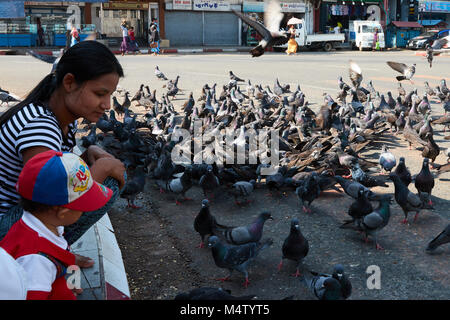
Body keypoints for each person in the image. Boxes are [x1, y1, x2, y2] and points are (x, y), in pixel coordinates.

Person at [0, 40, 126, 268]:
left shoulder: (58, 117)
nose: (107, 104)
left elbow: (56, 170)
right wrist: (100, 170)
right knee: (109, 184)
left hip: (15, 217)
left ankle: (51, 250)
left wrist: (88, 154)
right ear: (69, 82)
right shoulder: (41, 126)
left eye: (110, 95)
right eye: (100, 93)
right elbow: (46, 201)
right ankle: (43, 254)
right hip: (6, 231)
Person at [0, 150, 114, 299]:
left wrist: (71, 285)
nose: (85, 210)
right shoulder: (36, 260)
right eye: (83, 207)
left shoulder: (42, 226)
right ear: (63, 213)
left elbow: (63, 254)